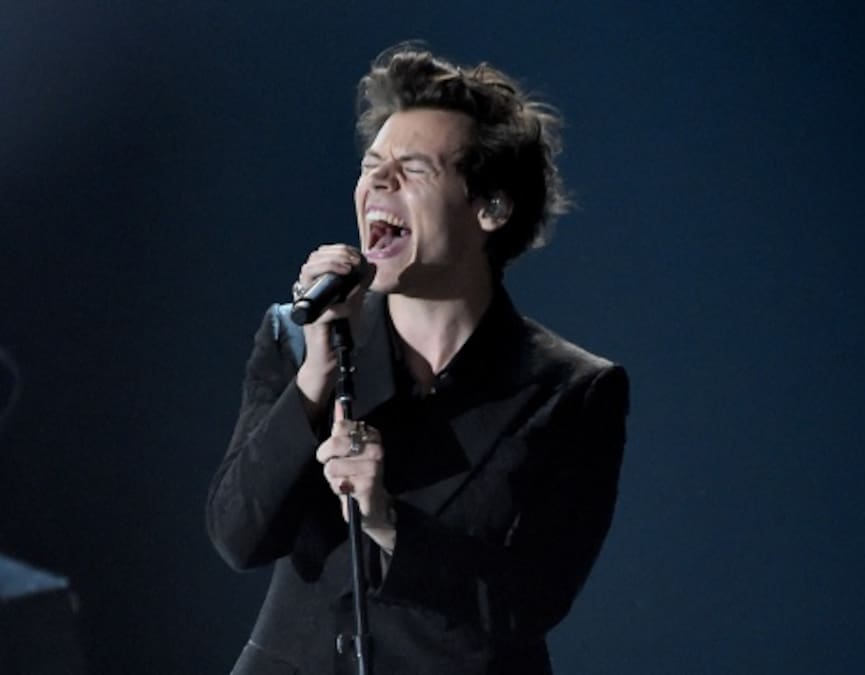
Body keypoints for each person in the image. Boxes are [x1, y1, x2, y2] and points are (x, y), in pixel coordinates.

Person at [206, 43, 629, 675]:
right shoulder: (298, 338)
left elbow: (532, 599)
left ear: (491, 208)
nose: (380, 182)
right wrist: (315, 380)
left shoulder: (567, 390)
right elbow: (237, 536)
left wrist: (386, 520)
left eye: (413, 169)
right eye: (372, 166)